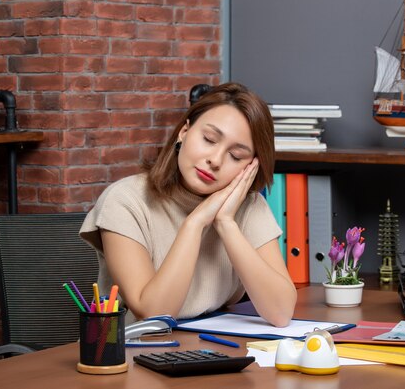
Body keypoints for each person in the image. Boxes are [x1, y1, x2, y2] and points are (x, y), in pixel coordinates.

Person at [80, 82, 296, 327]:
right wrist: (195, 223)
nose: (214, 160)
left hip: (208, 348)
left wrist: (226, 223)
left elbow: (280, 312)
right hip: (126, 355)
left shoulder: (248, 206)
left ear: (250, 167)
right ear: (184, 132)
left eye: (235, 156)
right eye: (209, 139)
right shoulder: (125, 200)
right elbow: (153, 315)